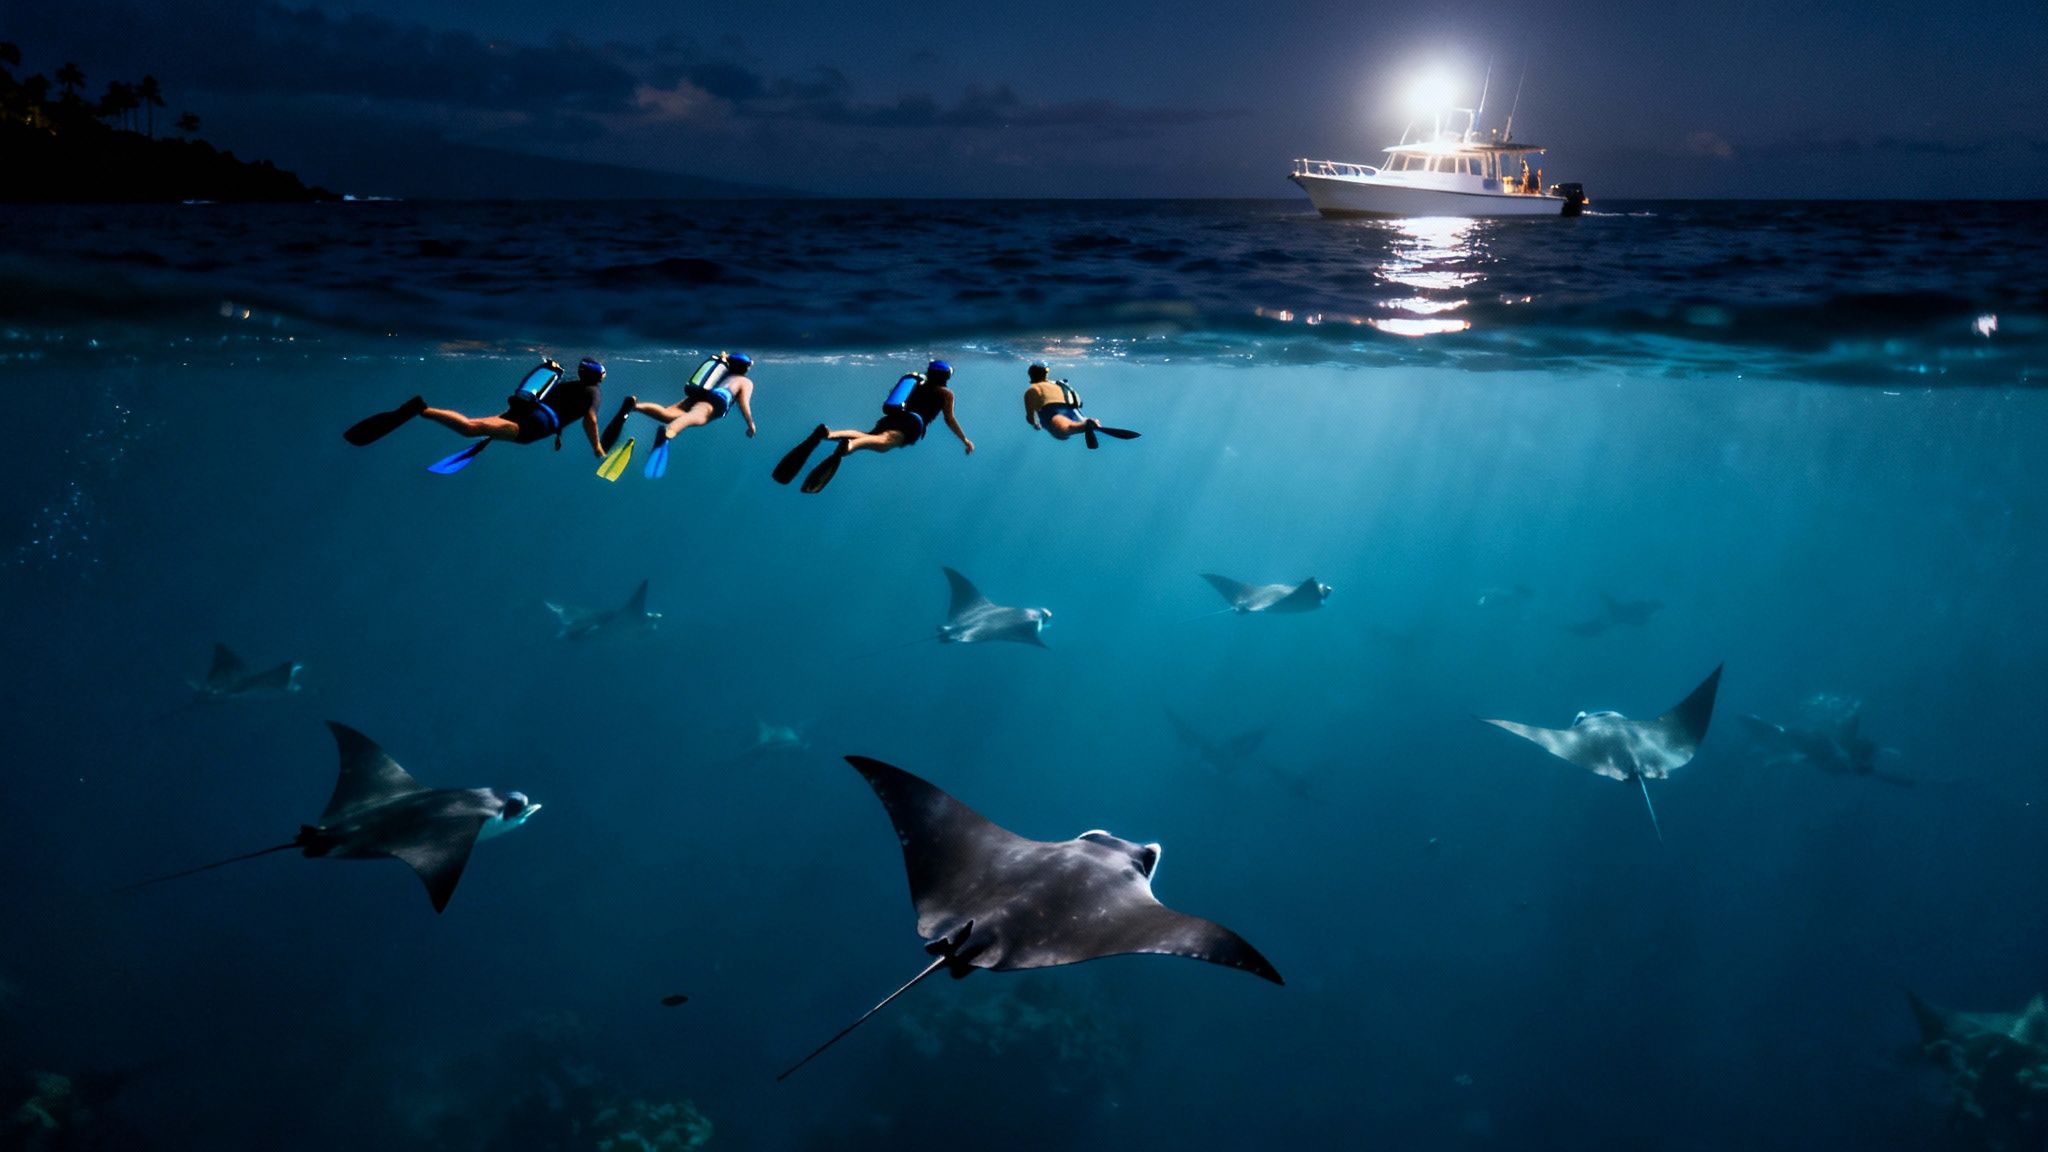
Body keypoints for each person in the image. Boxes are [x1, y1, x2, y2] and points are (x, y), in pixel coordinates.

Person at [344, 358, 607, 461]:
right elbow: (590, 420)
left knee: (480, 427)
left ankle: (426, 412)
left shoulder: (569, 384)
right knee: (471, 428)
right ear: (599, 377)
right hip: (533, 426)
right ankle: (422, 410)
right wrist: (596, 447)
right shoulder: (593, 393)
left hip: (525, 411)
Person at [771, 360, 973, 494]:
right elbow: (949, 418)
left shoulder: (917, 383)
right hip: (913, 422)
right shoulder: (946, 393)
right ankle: (849, 447)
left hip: (895, 415)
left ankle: (829, 433)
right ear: (946, 377)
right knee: (885, 442)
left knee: (867, 434)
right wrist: (964, 439)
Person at [609, 352, 757, 445]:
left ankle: (635, 406)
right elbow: (744, 403)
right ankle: (669, 432)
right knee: (697, 417)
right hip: (719, 399)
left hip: (702, 392)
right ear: (745, 368)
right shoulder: (745, 382)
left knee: (669, 413)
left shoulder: (722, 371)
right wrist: (750, 424)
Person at [1021, 362, 1140, 448]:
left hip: (1051, 412)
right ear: (1046, 373)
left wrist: (1035, 423)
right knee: (1076, 422)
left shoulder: (1032, 390)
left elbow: (1030, 416)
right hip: (1071, 409)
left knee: (1064, 431)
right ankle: (1087, 422)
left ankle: (1083, 425)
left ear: (1031, 375)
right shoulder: (1055, 384)